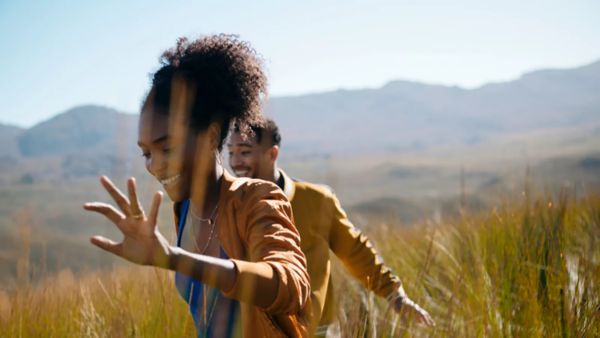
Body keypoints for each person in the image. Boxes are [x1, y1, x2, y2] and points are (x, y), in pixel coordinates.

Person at [83, 35, 311, 337]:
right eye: (146, 153)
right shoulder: (184, 210)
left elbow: (291, 285)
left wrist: (176, 259)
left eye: (168, 148)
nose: (155, 165)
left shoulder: (256, 198)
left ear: (210, 134)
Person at [227, 118, 435, 335]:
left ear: (272, 154)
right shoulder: (228, 207)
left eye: (244, 152)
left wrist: (396, 296)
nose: (235, 162)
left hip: (315, 331)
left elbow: (355, 251)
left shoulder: (317, 201)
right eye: (231, 153)